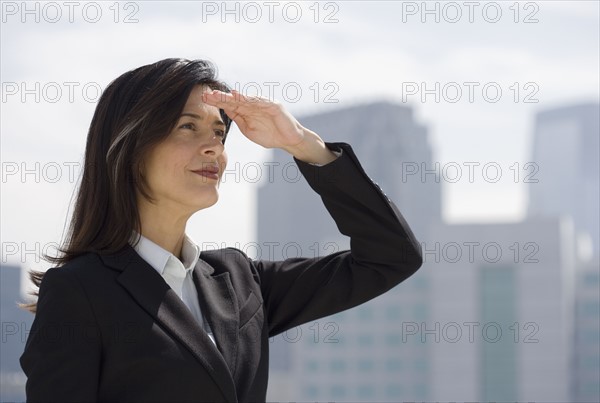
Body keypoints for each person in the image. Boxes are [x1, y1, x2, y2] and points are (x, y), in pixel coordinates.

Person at [20, 58, 423, 402]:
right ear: (130, 148)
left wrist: (303, 145)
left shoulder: (240, 281)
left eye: (218, 132)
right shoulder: (80, 292)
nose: (214, 146)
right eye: (187, 127)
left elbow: (390, 256)